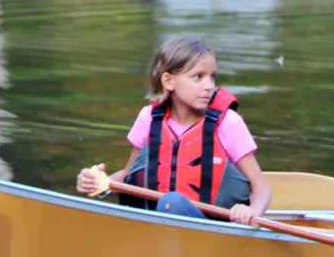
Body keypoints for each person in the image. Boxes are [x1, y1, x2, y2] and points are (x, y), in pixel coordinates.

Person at [75, 37, 272, 225]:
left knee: (173, 203)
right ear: (168, 81)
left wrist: (251, 211)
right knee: (170, 203)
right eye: (198, 77)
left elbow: (262, 188)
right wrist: (102, 184)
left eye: (212, 77)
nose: (208, 86)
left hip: (211, 232)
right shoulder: (149, 118)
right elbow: (129, 176)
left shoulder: (228, 123)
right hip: (155, 227)